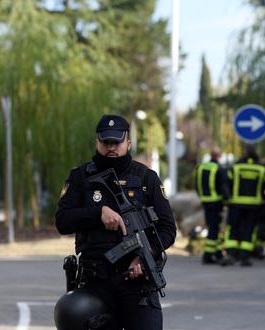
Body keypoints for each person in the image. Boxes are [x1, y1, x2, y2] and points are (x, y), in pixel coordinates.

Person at [55, 114, 176, 330]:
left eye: (117, 142)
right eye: (106, 142)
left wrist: (141, 259)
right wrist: (97, 213)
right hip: (95, 285)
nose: (111, 147)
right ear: (97, 142)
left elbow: (168, 229)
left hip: (138, 286)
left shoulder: (146, 178)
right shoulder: (80, 177)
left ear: (128, 142)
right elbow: (62, 221)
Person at [221, 145, 265, 267]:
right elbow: (264, 188)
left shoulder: (236, 167)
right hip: (253, 206)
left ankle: (231, 254)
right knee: (249, 230)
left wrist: (228, 197)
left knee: (233, 229)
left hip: (236, 204)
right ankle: (245, 257)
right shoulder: (261, 169)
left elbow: (227, 183)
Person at [195, 146, 229, 264]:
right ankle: (209, 255)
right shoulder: (219, 168)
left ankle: (215, 253)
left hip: (205, 202)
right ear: (219, 156)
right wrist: (227, 200)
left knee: (211, 227)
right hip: (216, 202)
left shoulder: (201, 167)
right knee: (214, 229)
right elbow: (224, 187)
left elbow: (196, 185)